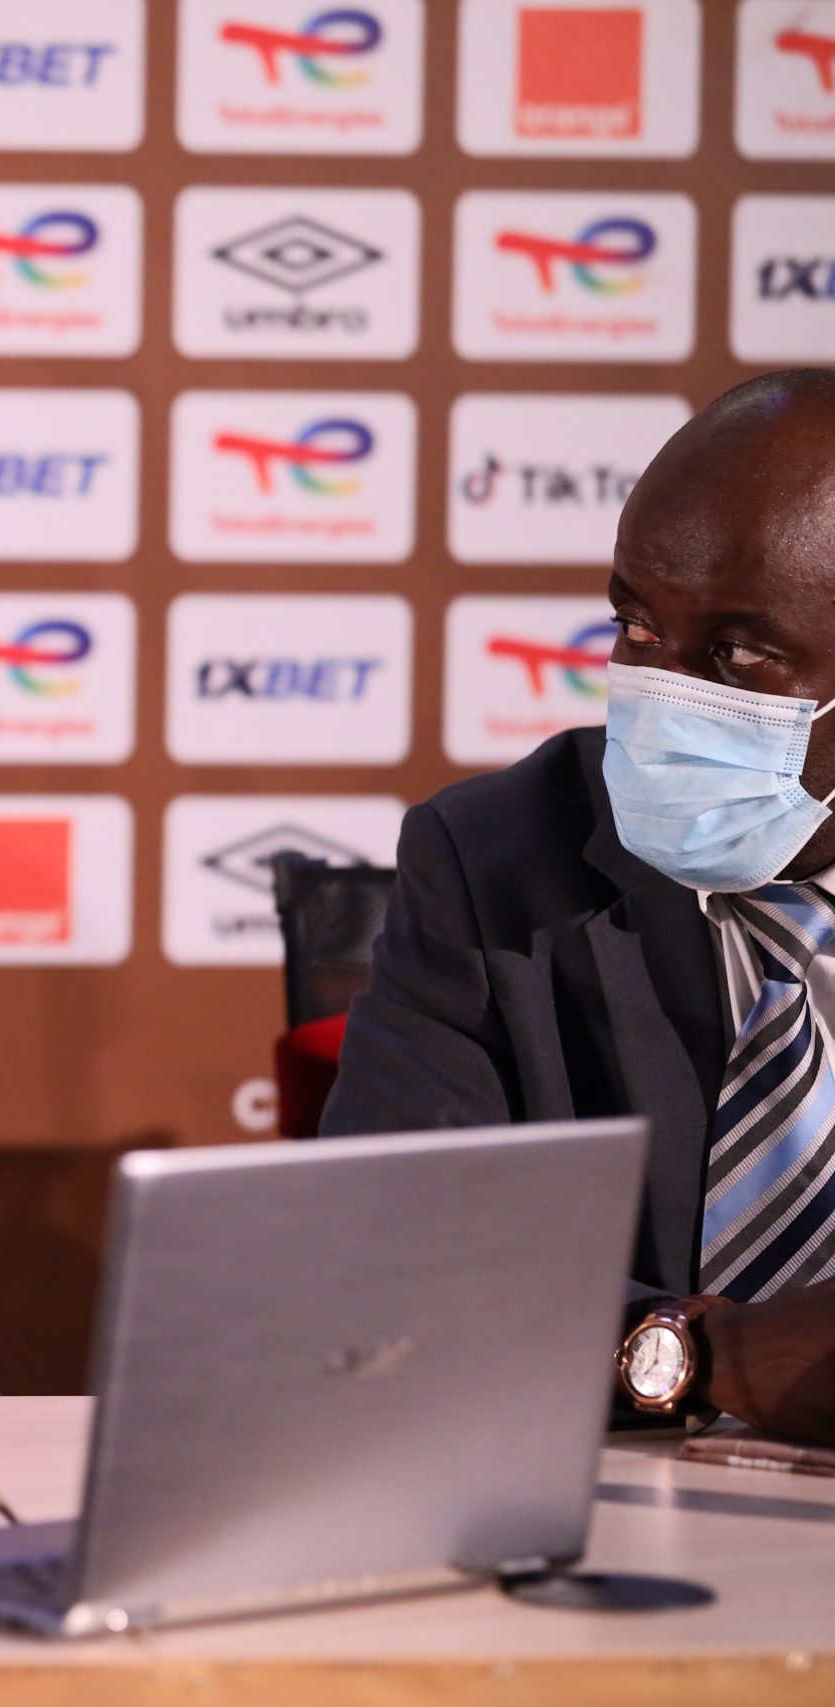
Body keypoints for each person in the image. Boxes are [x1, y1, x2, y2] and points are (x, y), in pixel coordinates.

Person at [325, 369, 835, 1445]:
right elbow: (385, 1266)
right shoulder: (496, 858)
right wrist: (706, 1358)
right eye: (636, 625)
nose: (662, 690)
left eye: (741, 654)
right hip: (617, 1504)